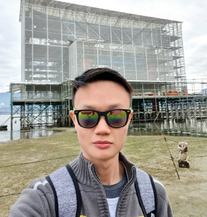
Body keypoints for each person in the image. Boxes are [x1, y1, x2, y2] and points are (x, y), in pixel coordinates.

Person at [9, 68, 174, 217]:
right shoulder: (44, 198)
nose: (102, 129)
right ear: (74, 120)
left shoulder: (154, 194)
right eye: (88, 116)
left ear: (128, 119)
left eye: (116, 115)